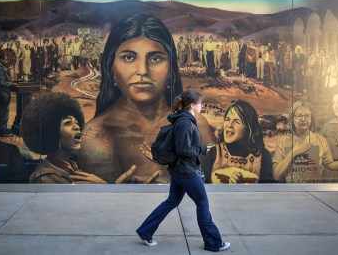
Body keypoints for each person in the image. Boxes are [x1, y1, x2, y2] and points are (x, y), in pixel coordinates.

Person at [79, 14, 216, 183]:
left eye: (155, 58)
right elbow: (106, 204)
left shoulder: (197, 124)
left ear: (170, 69)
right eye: (129, 57)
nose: (142, 70)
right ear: (111, 67)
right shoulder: (98, 134)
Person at [136, 89, 230, 252]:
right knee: (202, 203)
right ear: (192, 105)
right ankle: (213, 242)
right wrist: (201, 149)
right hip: (185, 171)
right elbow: (183, 148)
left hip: (179, 170)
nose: (202, 106)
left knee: (172, 201)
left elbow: (183, 147)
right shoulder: (185, 122)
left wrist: (200, 149)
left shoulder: (183, 120)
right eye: (200, 103)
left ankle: (145, 231)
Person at [21, 93, 110, 184]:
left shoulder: (72, 168)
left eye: (76, 122)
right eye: (68, 123)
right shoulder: (46, 179)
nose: (77, 127)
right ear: (52, 132)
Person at [273, 101, 338, 183]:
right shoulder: (283, 143)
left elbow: (330, 165)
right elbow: (276, 175)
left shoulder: (320, 140)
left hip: (314, 191)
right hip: (292, 193)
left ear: (311, 119)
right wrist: (294, 152)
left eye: (307, 116)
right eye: (299, 116)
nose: (303, 119)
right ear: (292, 118)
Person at [211, 100, 275, 184]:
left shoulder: (263, 157)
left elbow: (267, 191)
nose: (229, 125)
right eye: (227, 119)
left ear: (249, 128)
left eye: (236, 121)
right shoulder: (213, 154)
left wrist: (244, 183)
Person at [0, 52, 17, 137]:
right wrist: (12, 84)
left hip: (2, 94)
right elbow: (2, 82)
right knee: (4, 113)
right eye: (5, 59)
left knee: (2, 112)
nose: (7, 61)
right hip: (3, 94)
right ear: (1, 59)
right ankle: (3, 131)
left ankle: (1, 130)